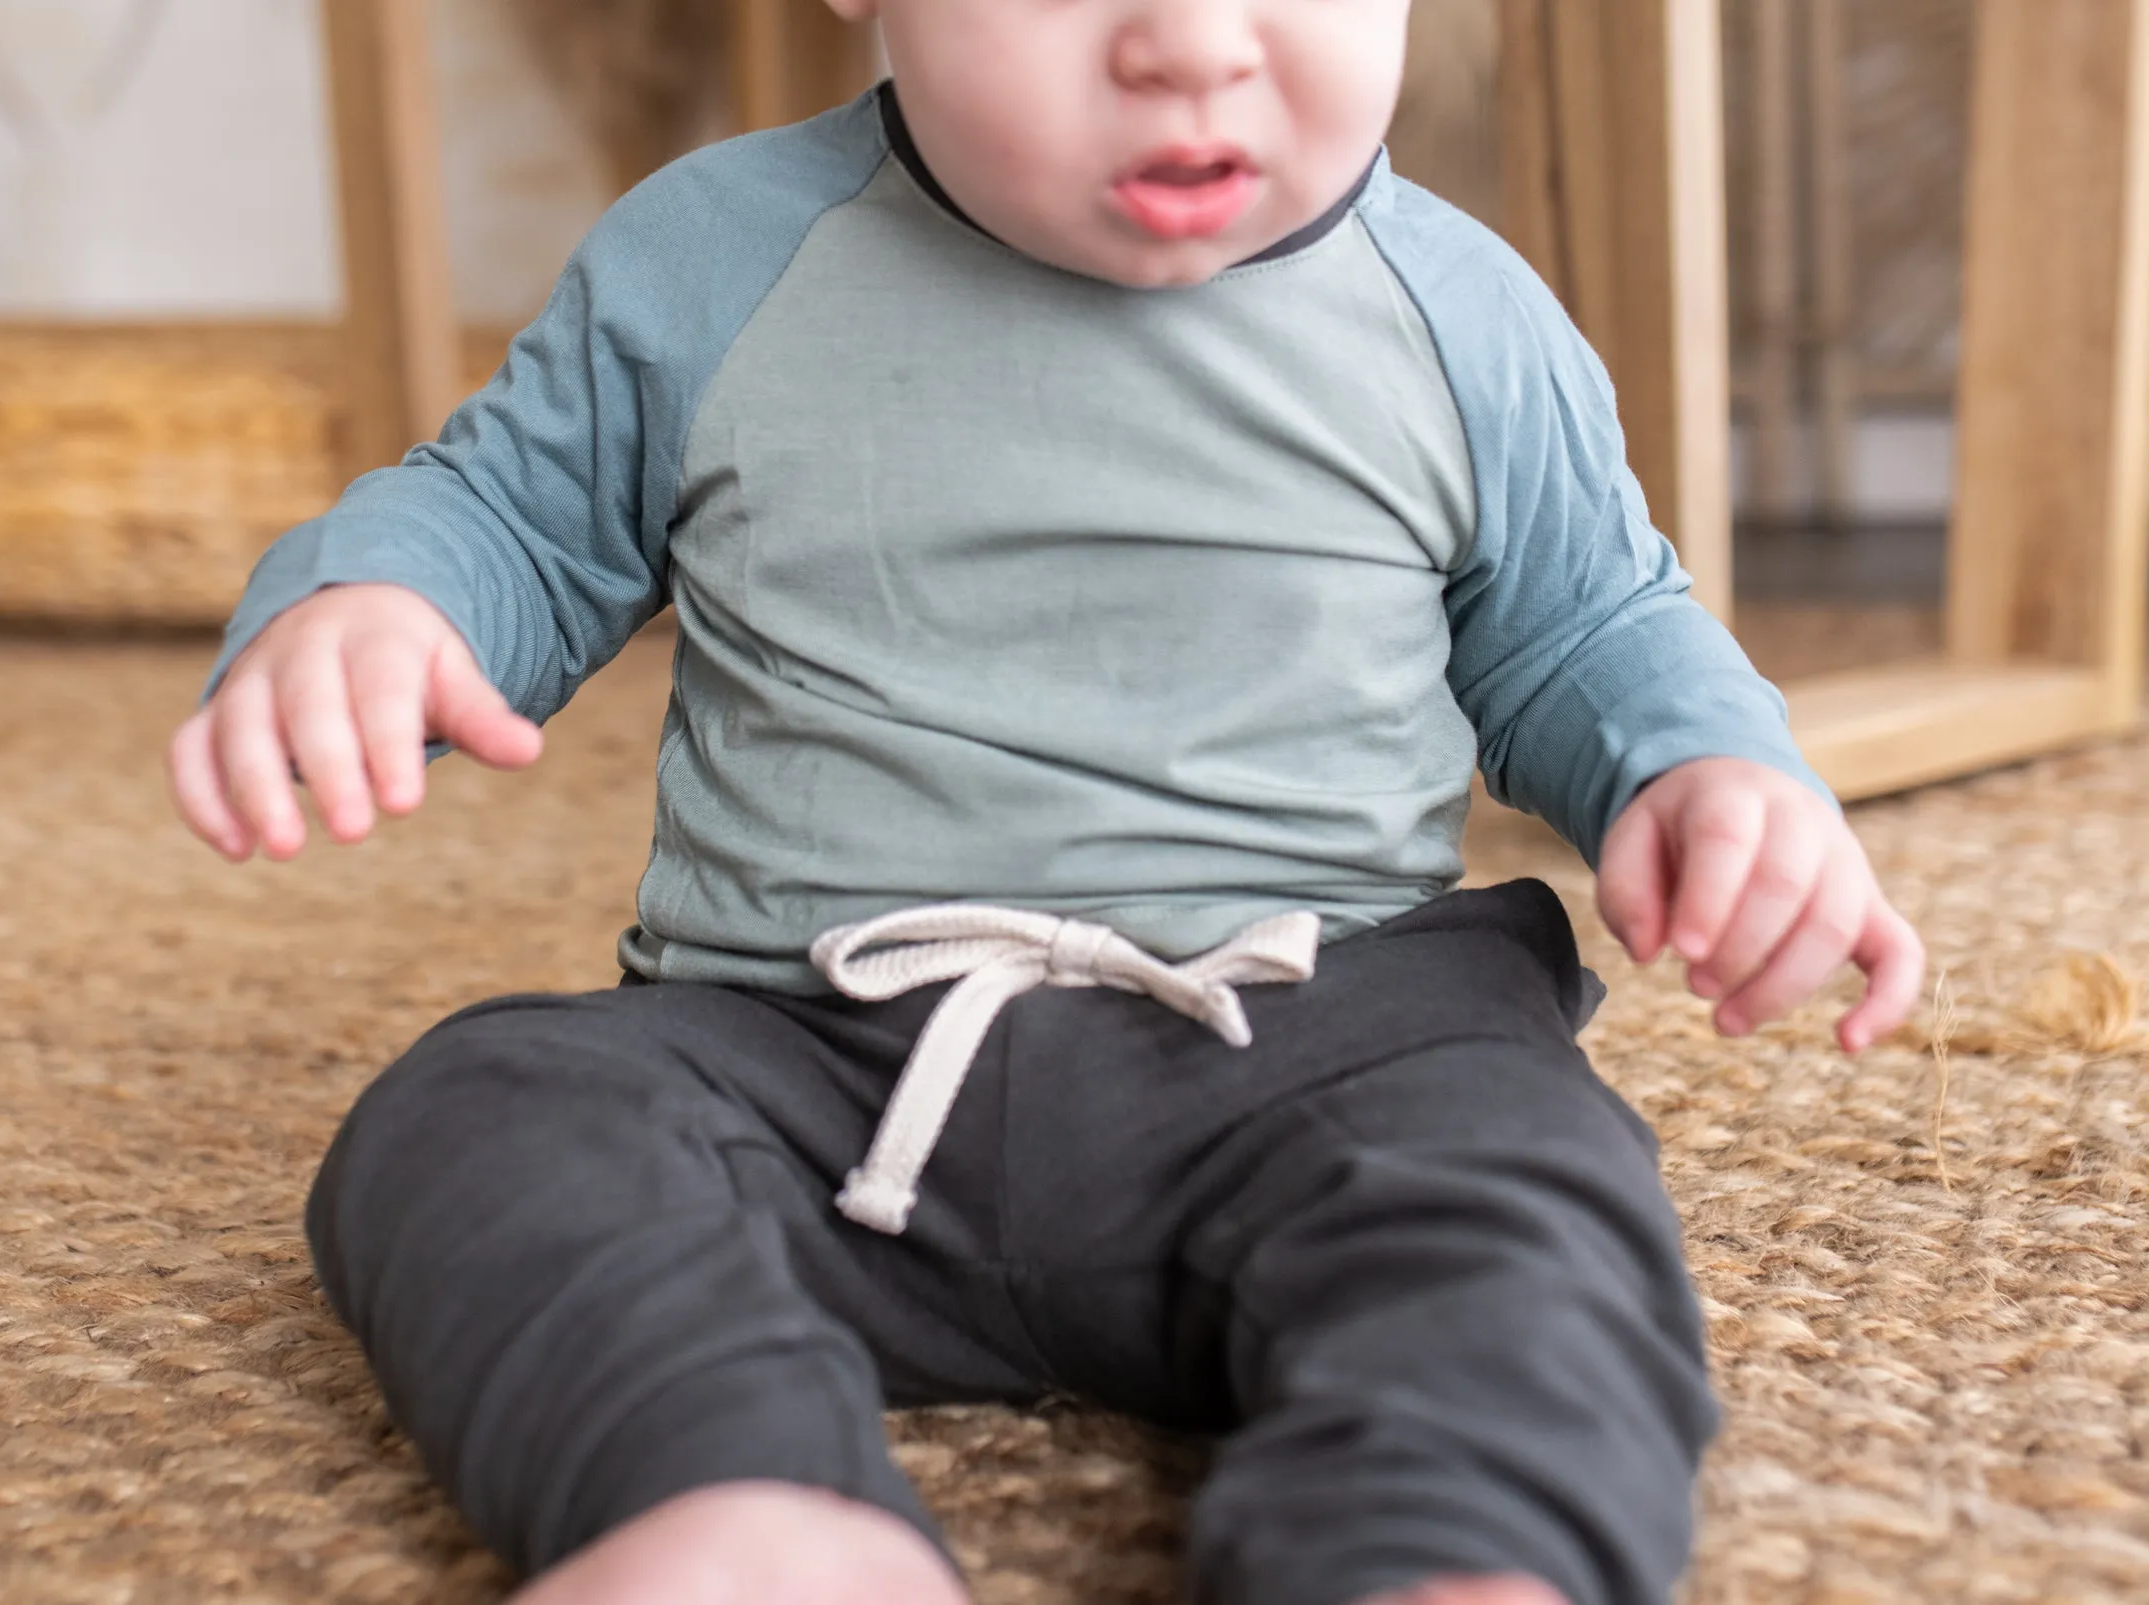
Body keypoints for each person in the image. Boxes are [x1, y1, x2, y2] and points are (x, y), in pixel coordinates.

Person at [166, 2, 1925, 1601]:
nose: (1189, 44)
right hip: (810, 1056)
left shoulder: (1462, 315)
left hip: (1319, 1032)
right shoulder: (709, 260)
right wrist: (379, 607)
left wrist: (1709, 767)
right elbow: (512, 519)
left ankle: (1432, 1552)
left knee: (1534, 1202)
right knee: (483, 1116)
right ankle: (733, 1509)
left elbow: (1588, 621)